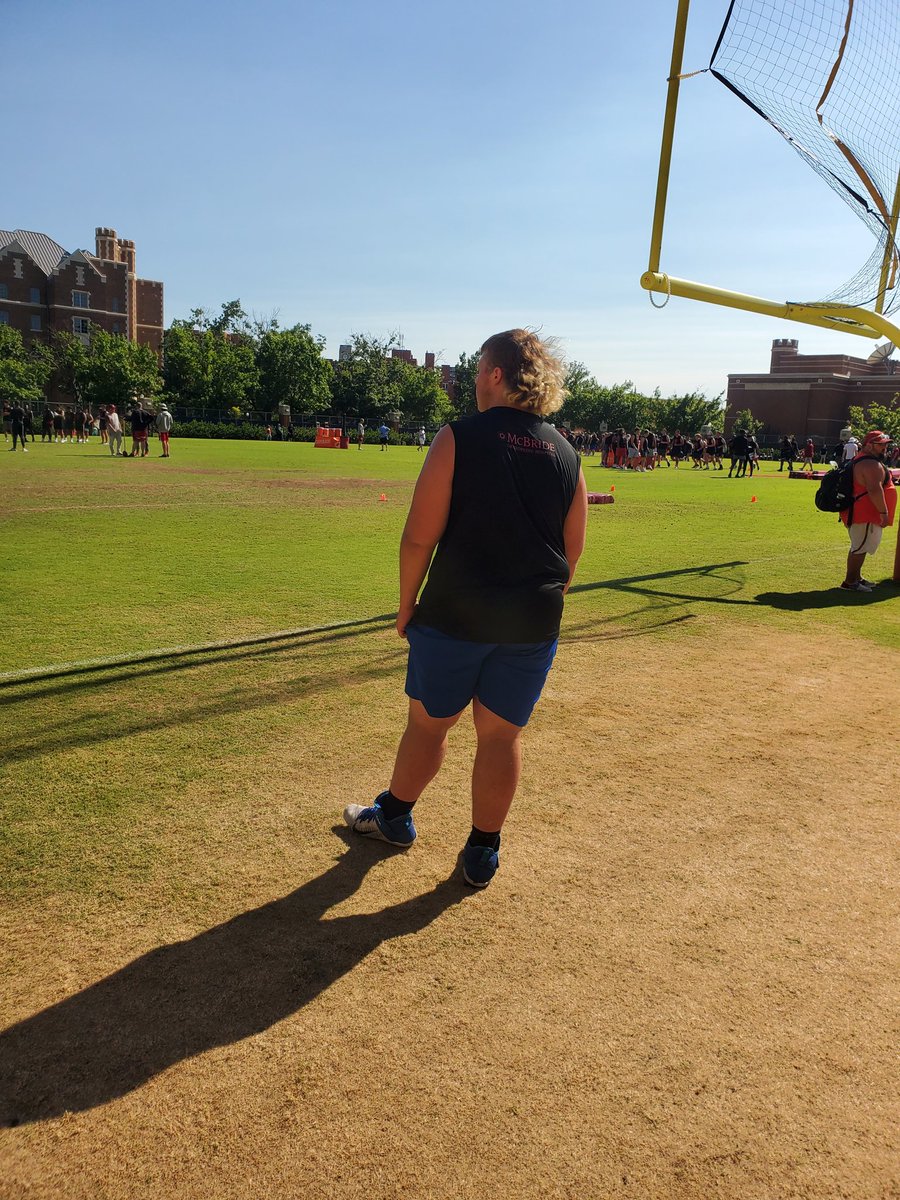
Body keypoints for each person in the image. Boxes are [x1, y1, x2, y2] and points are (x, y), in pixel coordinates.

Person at [343, 329, 588, 888]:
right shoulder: (566, 450)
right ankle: (482, 853)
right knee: (501, 739)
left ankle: (396, 818)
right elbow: (572, 551)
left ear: (497, 374)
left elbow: (416, 537)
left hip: (456, 612)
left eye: (480, 369)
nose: (476, 379)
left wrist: (405, 606)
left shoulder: (457, 436)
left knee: (428, 728)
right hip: (532, 618)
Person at [840, 430, 896, 591]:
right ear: (869, 445)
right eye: (881, 444)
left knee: (861, 546)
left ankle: (856, 577)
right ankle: (850, 582)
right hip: (865, 513)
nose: (885, 447)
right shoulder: (870, 464)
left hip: (862, 511)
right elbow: (874, 489)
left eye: (886, 444)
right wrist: (884, 513)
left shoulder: (866, 461)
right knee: (859, 547)